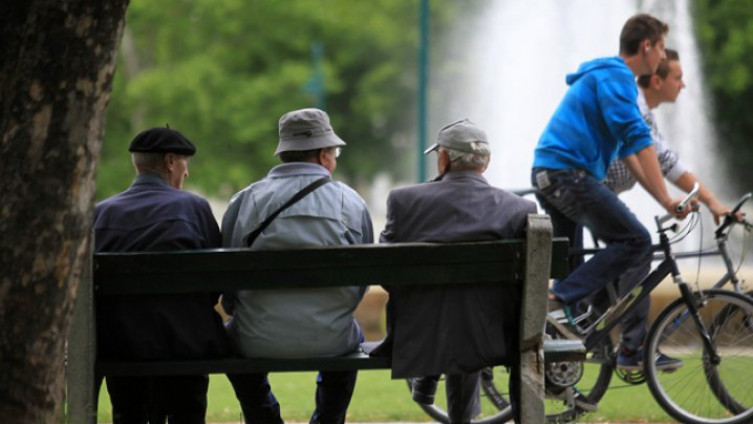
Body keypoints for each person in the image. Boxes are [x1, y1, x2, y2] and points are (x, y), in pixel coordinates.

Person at [531, 13, 689, 393]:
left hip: (551, 172)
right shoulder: (617, 77)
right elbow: (638, 138)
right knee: (635, 241)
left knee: (572, 262)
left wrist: (665, 200)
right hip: (568, 173)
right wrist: (669, 199)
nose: (662, 56)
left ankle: (559, 354)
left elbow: (631, 153)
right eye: (661, 47)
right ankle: (559, 300)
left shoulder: (605, 78)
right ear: (647, 46)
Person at [376, 119, 537, 424]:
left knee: (453, 313)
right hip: (496, 335)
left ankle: (428, 379)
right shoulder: (519, 209)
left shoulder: (405, 201)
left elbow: (387, 273)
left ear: (444, 159)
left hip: (421, 332)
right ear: (486, 162)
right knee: (470, 313)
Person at [221, 108, 374, 424]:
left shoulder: (244, 201)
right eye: (335, 152)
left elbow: (228, 280)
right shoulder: (351, 203)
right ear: (322, 155)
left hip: (256, 336)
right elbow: (362, 282)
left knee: (228, 337)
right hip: (332, 337)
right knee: (353, 335)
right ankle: (328, 419)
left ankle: (263, 416)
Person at [602, 49, 733, 370]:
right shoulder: (637, 108)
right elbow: (665, 160)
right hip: (590, 190)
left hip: (597, 192)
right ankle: (632, 348)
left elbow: (664, 158)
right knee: (637, 246)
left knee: (615, 262)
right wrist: (710, 202)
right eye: (678, 77)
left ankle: (600, 333)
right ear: (657, 80)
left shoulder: (644, 111)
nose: (684, 85)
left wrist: (706, 200)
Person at [94, 127, 230, 424]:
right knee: (187, 403)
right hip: (186, 345)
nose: (187, 173)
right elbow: (215, 285)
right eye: (185, 163)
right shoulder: (194, 208)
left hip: (120, 345)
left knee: (129, 408)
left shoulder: (101, 214)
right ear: (170, 161)